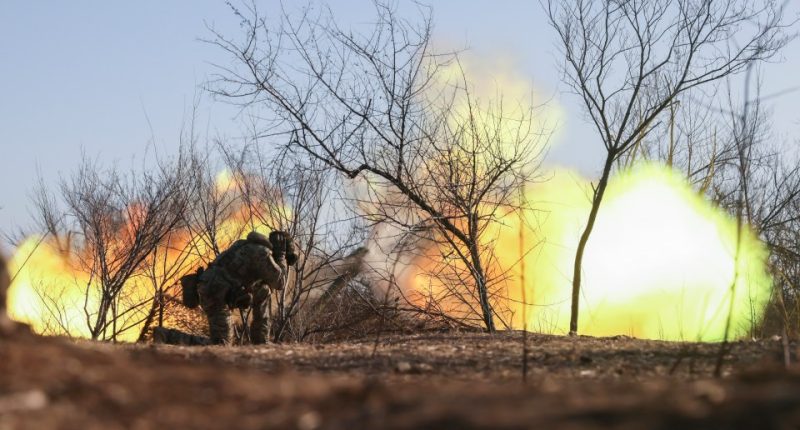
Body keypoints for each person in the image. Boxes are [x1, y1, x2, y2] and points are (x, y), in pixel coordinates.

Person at [191, 230, 297, 345]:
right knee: (222, 344)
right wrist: (281, 256)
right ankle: (176, 338)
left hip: (214, 288)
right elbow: (280, 283)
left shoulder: (246, 245)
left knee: (264, 289)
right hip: (215, 292)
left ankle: (261, 341)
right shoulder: (262, 252)